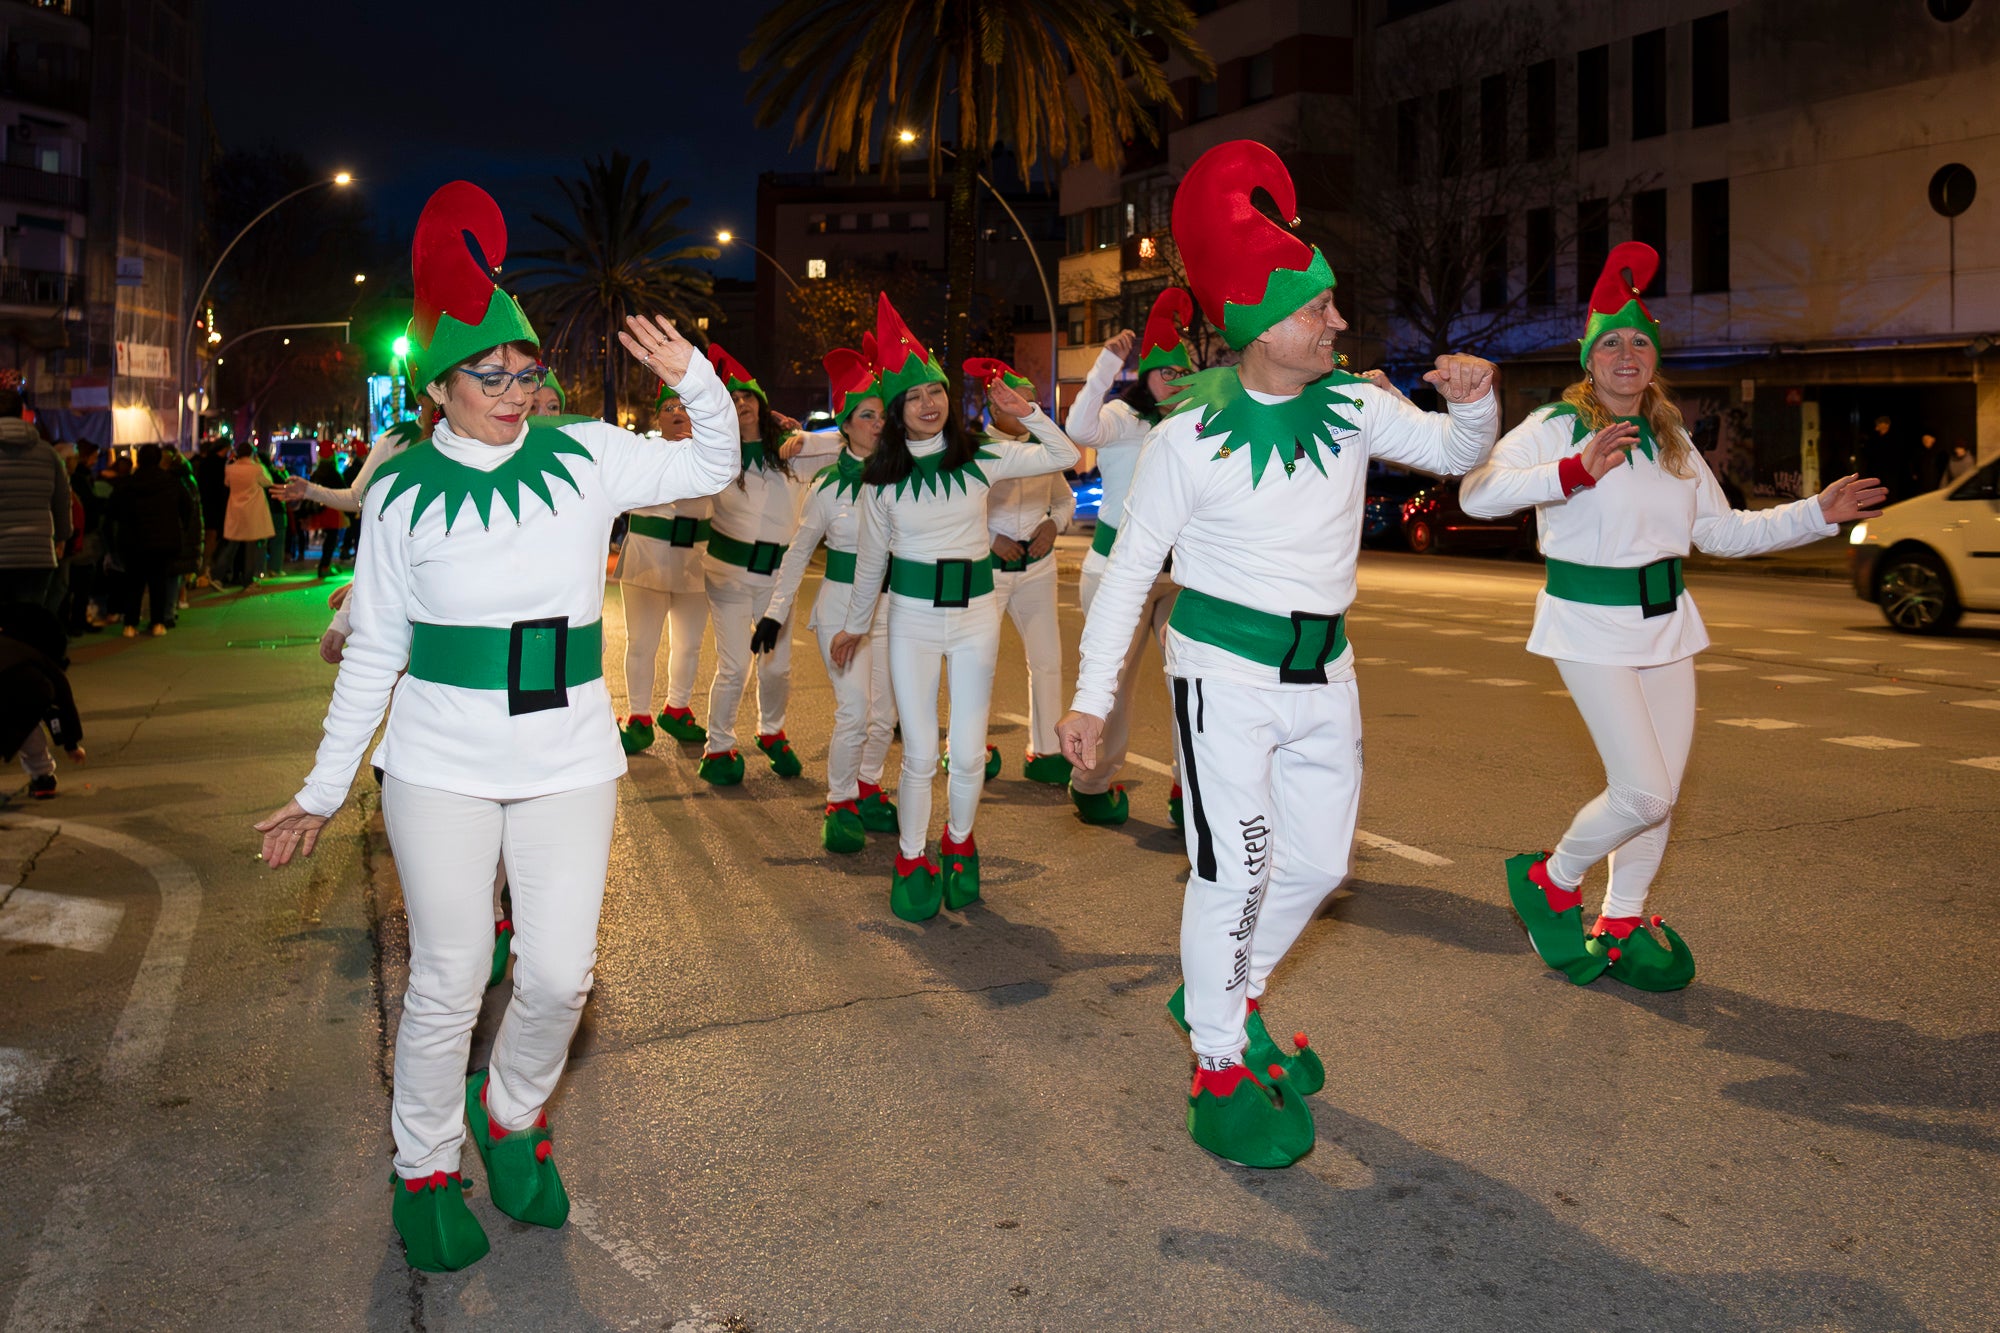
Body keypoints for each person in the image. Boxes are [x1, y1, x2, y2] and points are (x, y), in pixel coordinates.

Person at [253, 181, 737, 1274]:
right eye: (491, 375)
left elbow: (712, 464)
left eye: (526, 372)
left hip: (569, 757)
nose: (515, 393)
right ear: (439, 385)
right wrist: (323, 790)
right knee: (452, 972)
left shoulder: (589, 454)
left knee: (560, 977)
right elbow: (373, 649)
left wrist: (693, 377)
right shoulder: (399, 494)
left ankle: (512, 1112)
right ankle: (424, 1165)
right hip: (439, 766)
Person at [1056, 140, 1501, 1169]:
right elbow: (1127, 573)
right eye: (1319, 308)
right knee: (1236, 866)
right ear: (1263, 324)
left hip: (1326, 671)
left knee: (1320, 864)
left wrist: (1474, 400)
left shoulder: (1353, 406)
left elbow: (1452, 452)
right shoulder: (1184, 436)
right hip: (1223, 675)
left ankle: (1225, 992)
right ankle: (1216, 1059)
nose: (1338, 323)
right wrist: (1089, 698)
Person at [1459, 241, 1885, 994]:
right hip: (1589, 624)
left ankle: (1622, 922)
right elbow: (1478, 494)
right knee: (1642, 792)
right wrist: (1572, 470)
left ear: (1655, 358)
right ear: (1589, 358)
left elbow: (1722, 533)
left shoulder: (1673, 437)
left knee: (1661, 798)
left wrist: (1817, 513)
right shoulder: (1557, 425)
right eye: (1612, 343)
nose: (1627, 355)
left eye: (1640, 342)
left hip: (1668, 626)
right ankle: (1553, 880)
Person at [830, 294, 1079, 921]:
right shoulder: (879, 480)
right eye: (913, 396)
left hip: (975, 618)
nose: (928, 403)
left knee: (967, 753)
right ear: (896, 410)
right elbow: (871, 565)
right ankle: (912, 856)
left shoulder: (984, 457)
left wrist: (1029, 412)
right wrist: (854, 627)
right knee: (918, 753)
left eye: (935, 391)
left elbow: (1065, 457)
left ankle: (961, 844)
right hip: (911, 621)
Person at [757, 342, 899, 852]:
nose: (877, 424)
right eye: (866, 416)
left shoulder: (905, 478)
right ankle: (839, 802)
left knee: (885, 713)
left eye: (882, 415)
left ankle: (867, 784)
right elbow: (797, 553)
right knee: (855, 709)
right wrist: (775, 614)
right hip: (840, 608)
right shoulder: (825, 487)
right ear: (846, 425)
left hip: (892, 608)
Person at [1060, 288, 1195, 826]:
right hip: (1117, 572)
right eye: (1165, 372)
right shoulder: (1122, 416)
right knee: (1110, 687)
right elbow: (1078, 428)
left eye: (1183, 372)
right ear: (1146, 374)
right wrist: (1105, 365)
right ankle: (1091, 783)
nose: (1174, 381)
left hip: (1183, 574)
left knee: (1193, 684)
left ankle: (1191, 790)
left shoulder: (1200, 421)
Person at [693, 343, 830, 785]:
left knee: (777, 667)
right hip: (727, 577)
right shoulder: (715, 457)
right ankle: (718, 748)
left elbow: (856, 444)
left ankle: (771, 732)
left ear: (762, 403)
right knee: (734, 667)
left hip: (778, 580)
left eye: (748, 396)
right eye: (732, 398)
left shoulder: (793, 453)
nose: (741, 403)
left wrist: (806, 438)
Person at [965, 356, 1076, 786]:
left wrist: (1053, 524)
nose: (1030, 411)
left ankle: (1046, 751)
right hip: (986, 569)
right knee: (976, 661)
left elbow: (1063, 499)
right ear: (996, 405)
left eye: (1034, 404)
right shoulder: (973, 450)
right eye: (1019, 403)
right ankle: (966, 748)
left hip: (1037, 570)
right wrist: (991, 538)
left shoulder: (1043, 450)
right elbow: (955, 509)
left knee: (1047, 661)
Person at [613, 384, 714, 753]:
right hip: (646, 560)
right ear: (657, 418)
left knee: (689, 644)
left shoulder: (714, 456)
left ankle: (677, 708)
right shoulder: (641, 454)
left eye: (683, 406)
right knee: (641, 643)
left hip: (695, 561)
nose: (677, 413)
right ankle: (638, 717)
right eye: (668, 407)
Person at [107, 444, 197, 636]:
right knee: (159, 584)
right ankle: (157, 623)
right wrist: (181, 528)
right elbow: (188, 507)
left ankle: (130, 625)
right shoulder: (171, 482)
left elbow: (112, 509)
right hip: (163, 540)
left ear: (139, 460)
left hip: (132, 540)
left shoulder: (128, 484)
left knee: (134, 584)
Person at [0, 601, 83, 799]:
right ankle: (43, 777)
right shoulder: (38, 657)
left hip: (21, 690)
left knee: (23, 723)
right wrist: (71, 744)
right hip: (31, 693)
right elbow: (65, 702)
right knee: (28, 728)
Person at [0, 387, 71, 614]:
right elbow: (62, 499)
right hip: (38, 553)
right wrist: (62, 537)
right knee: (29, 621)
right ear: (22, 412)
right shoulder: (48, 453)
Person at [218, 440, 276, 587]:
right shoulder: (256, 469)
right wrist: (259, 463)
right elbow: (268, 481)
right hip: (252, 512)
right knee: (251, 549)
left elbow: (227, 483)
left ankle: (217, 574)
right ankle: (248, 580)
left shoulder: (230, 468)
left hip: (235, 511)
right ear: (252, 453)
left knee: (232, 545)